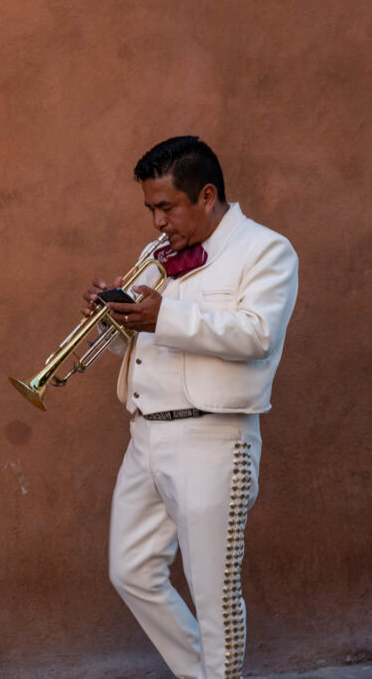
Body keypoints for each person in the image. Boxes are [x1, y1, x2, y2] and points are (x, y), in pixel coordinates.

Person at [82, 136, 298, 679]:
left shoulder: (267, 250)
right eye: (150, 208)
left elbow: (258, 335)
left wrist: (164, 316)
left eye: (166, 207)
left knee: (214, 593)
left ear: (206, 196)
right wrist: (113, 319)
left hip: (214, 439)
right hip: (146, 435)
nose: (157, 222)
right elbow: (140, 342)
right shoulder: (154, 257)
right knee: (131, 571)